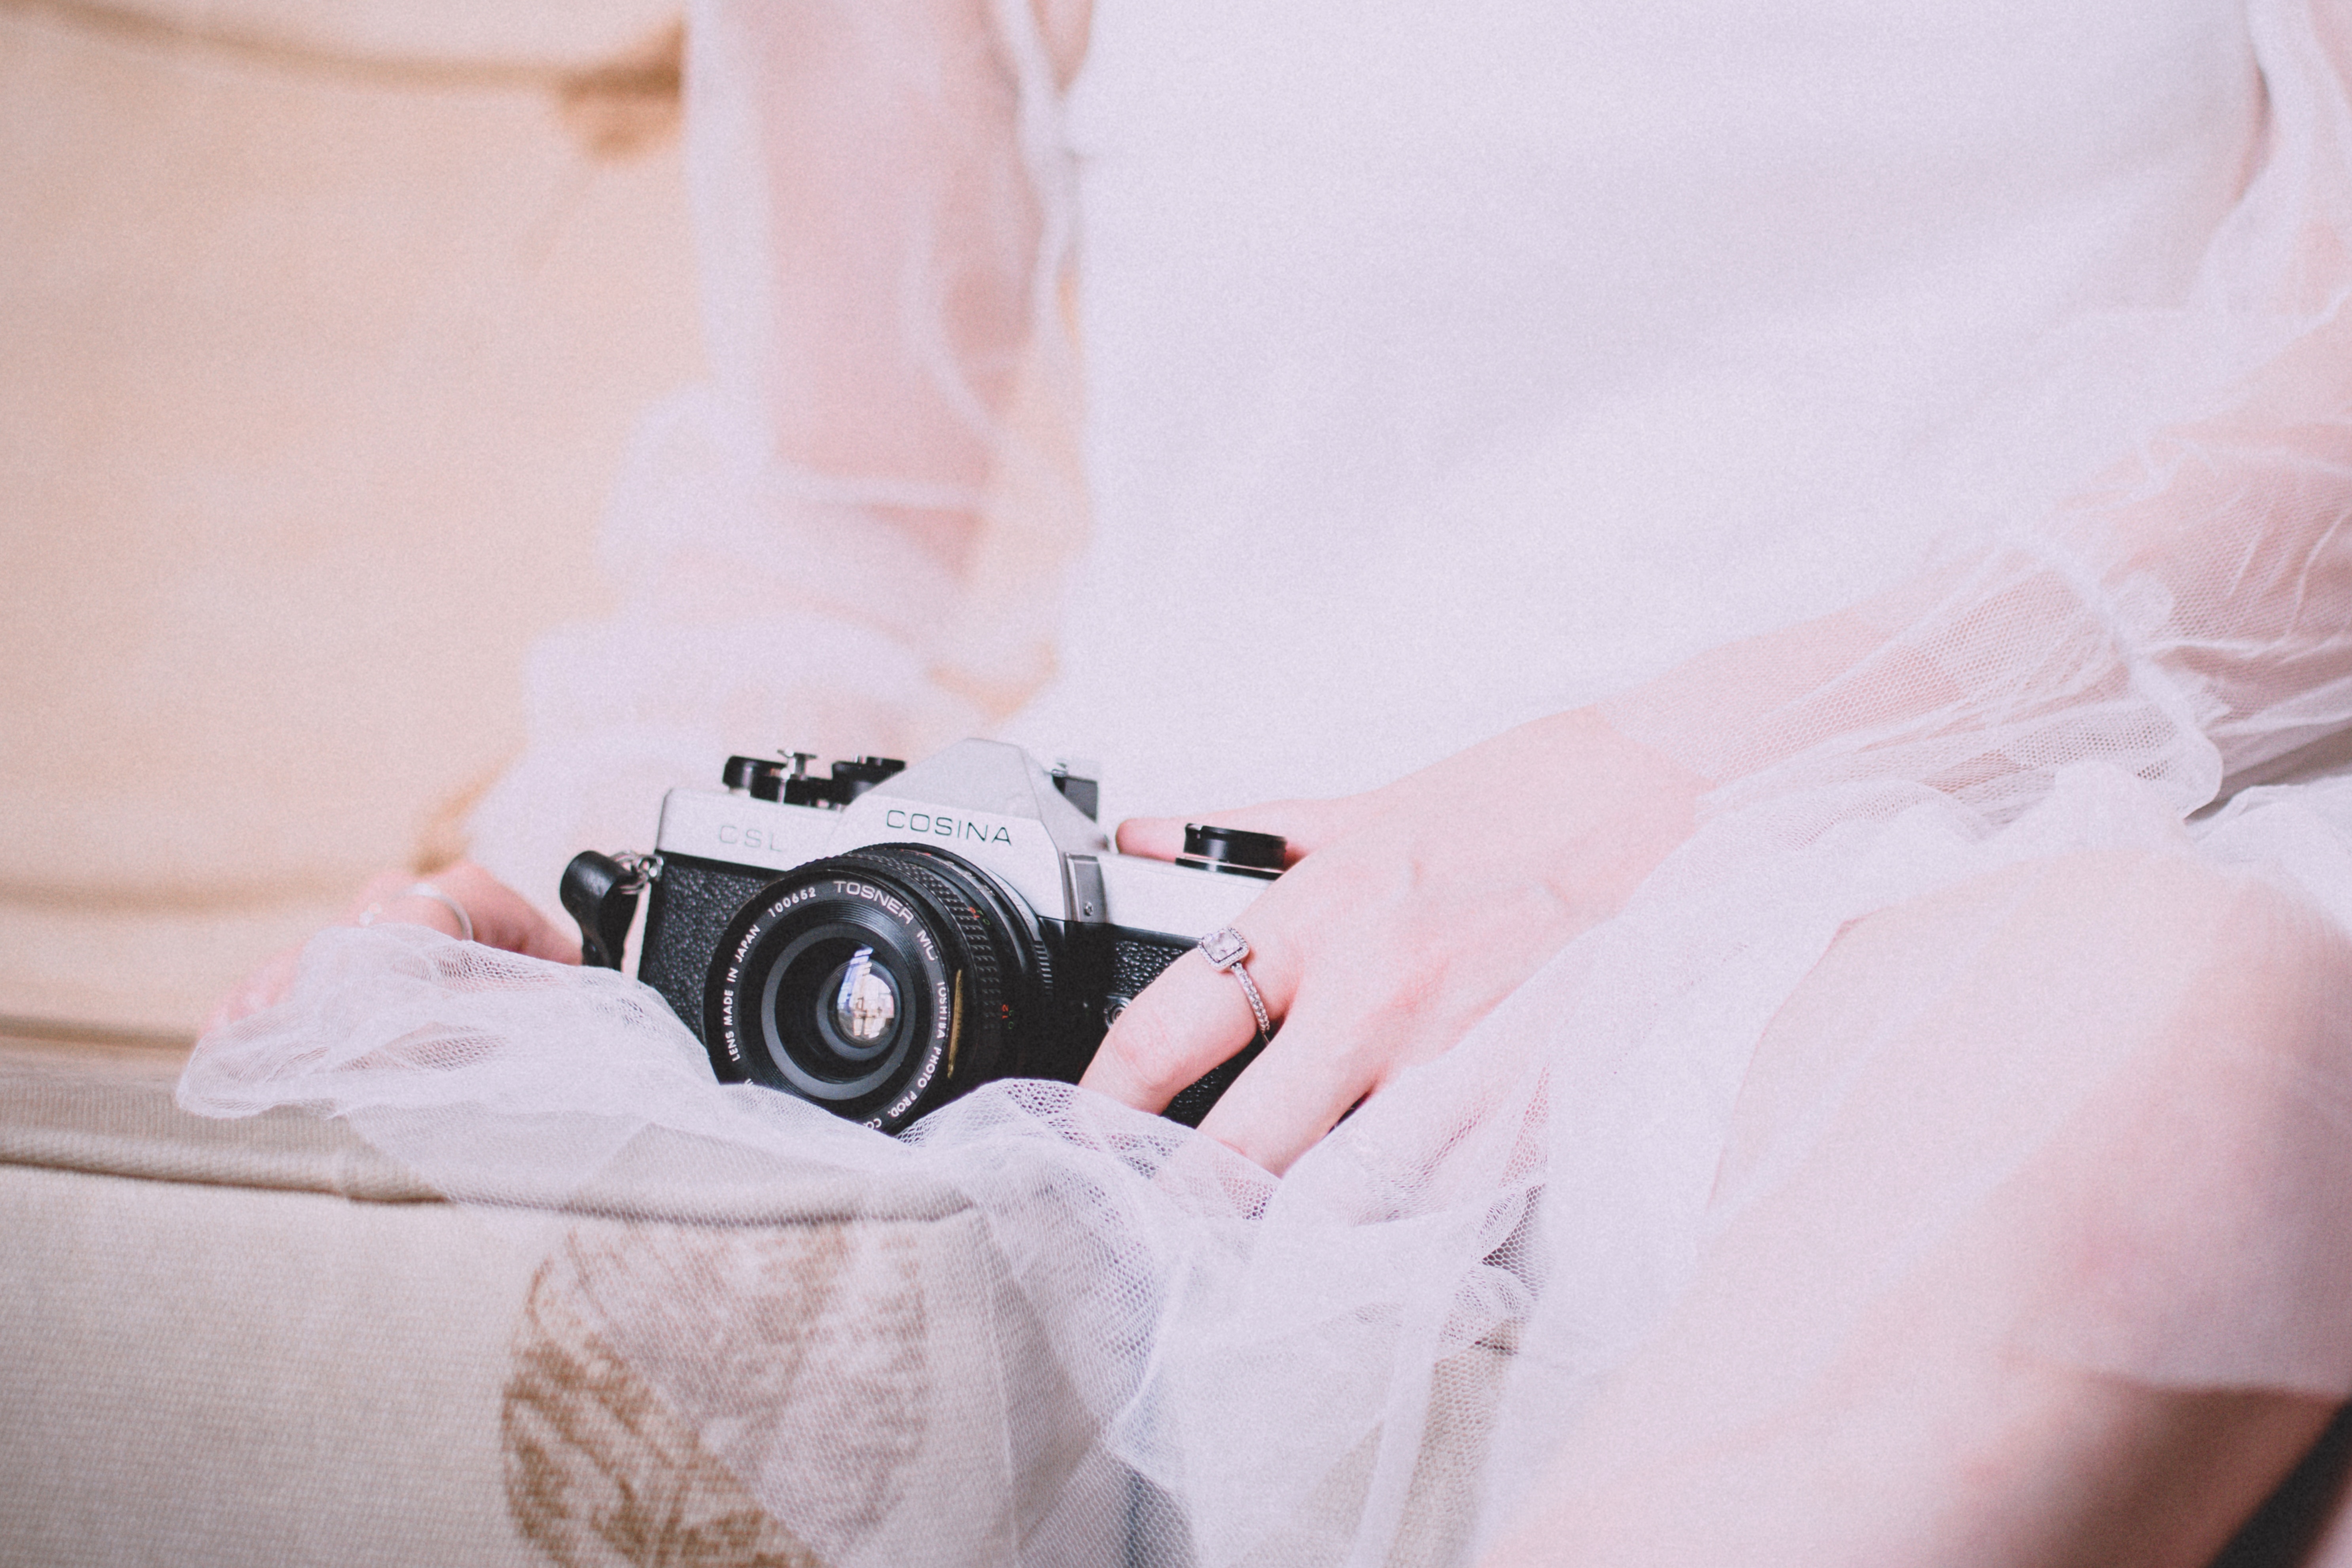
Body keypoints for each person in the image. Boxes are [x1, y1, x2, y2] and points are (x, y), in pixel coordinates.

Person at [196, 0, 2352, 1562]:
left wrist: (1619, 812)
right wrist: (596, 878)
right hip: (1196, 973)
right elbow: (827, 511)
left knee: (2191, 1028)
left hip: (1939, 860)